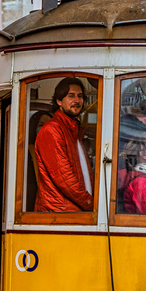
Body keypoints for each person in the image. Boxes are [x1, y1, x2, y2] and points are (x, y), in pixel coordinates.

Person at [34, 78, 94, 212]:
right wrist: (90, 203)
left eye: (80, 96)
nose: (77, 101)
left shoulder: (72, 130)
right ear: (59, 101)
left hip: (72, 211)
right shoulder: (52, 130)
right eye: (71, 96)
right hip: (60, 213)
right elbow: (65, 179)